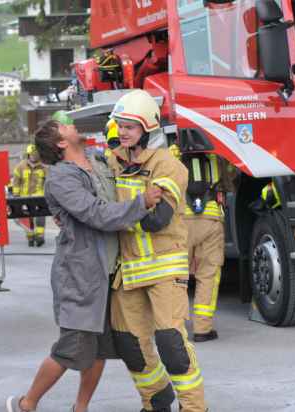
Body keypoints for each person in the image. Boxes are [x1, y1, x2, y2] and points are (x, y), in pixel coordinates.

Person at [6, 119, 164, 412]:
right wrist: (141, 203)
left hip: (106, 274)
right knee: (72, 347)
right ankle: (26, 404)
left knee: (99, 349)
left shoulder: (98, 163)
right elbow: (96, 214)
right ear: (61, 143)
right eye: (63, 127)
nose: (71, 126)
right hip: (80, 276)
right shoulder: (61, 178)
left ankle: (81, 408)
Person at [108, 90, 207, 412]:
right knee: (129, 345)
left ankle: (193, 407)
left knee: (171, 343)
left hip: (164, 268)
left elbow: (157, 220)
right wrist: (135, 202)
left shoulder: (168, 165)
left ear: (148, 129)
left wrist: (118, 210)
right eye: (120, 125)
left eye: (131, 127)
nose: (123, 132)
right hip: (129, 270)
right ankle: (156, 399)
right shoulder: (111, 163)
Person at [180, 152, 234, 342]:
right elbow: (231, 179)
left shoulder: (172, 153)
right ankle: (202, 328)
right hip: (211, 218)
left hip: (181, 221)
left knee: (176, 275)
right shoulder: (217, 154)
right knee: (208, 274)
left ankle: (173, 326)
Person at [10, 143, 48, 247]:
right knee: (26, 217)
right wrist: (16, 195)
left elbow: (49, 182)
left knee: (40, 215)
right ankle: (30, 236)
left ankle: (39, 236)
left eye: (36, 154)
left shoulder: (44, 168)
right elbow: (16, 182)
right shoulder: (20, 167)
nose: (34, 156)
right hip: (24, 197)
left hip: (39, 196)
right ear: (28, 155)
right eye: (32, 154)